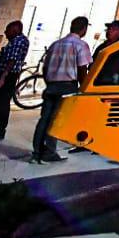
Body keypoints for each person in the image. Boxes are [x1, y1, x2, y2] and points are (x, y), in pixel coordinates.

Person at [31, 17, 91, 164]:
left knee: (44, 119)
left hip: (51, 85)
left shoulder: (56, 44)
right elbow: (82, 68)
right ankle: (49, 153)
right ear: (83, 29)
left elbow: (45, 68)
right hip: (68, 86)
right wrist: (84, 88)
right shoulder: (81, 45)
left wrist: (49, 82)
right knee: (57, 120)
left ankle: (37, 152)